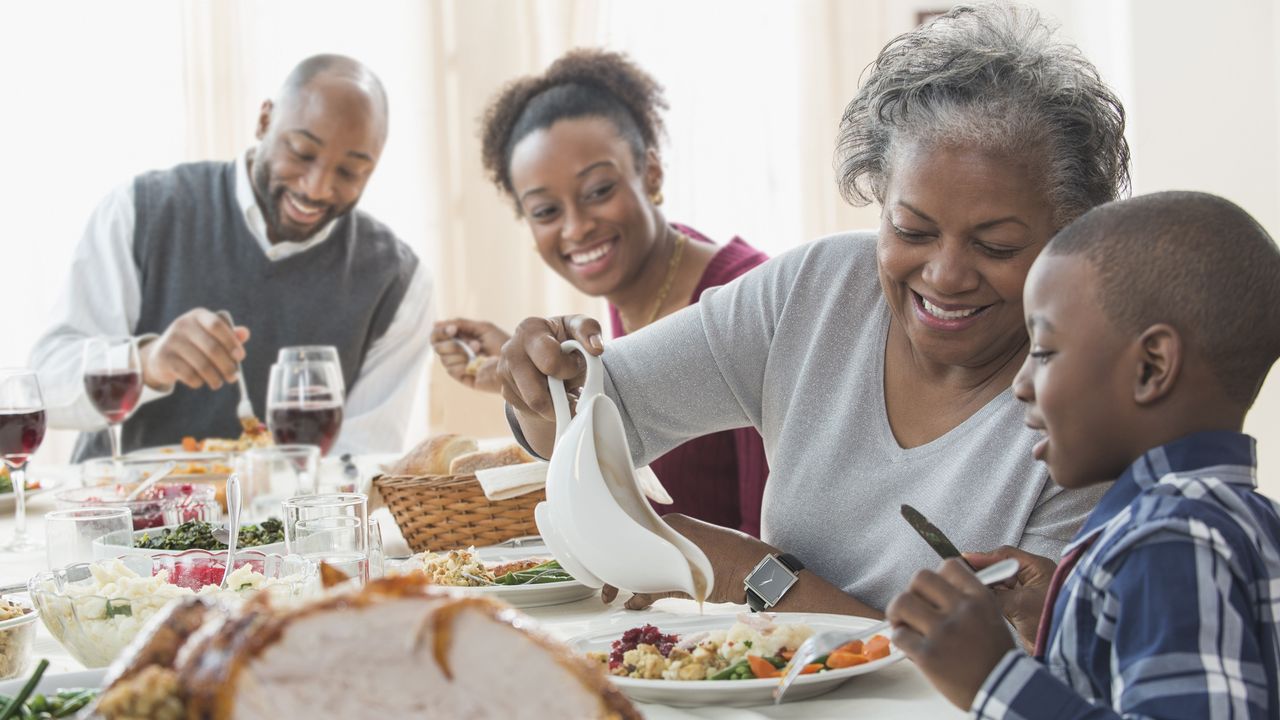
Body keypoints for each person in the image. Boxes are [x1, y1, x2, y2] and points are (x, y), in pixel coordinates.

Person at [498, 4, 1130, 615]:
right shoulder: (819, 290)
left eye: (995, 246)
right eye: (912, 230)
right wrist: (541, 387)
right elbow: (597, 415)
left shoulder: (1094, 414)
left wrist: (742, 571)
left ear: (1073, 238)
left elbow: (997, 674)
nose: (944, 276)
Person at [885, 191, 1280, 718]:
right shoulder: (1243, 521)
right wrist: (1070, 613)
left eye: (1043, 353)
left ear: (1151, 367)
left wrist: (995, 680)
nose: (1021, 384)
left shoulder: (1169, 538)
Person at [431, 50, 771, 536]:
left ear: (651, 173)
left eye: (598, 191)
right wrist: (532, 381)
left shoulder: (742, 303)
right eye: (546, 211)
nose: (577, 228)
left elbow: (774, 536)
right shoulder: (632, 292)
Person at [31, 54, 432, 460]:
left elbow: (361, 458)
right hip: (122, 514)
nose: (316, 188)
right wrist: (146, 363)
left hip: (282, 520)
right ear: (264, 121)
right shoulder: (141, 211)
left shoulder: (397, 282)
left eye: (349, 173)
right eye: (301, 153)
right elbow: (43, 381)